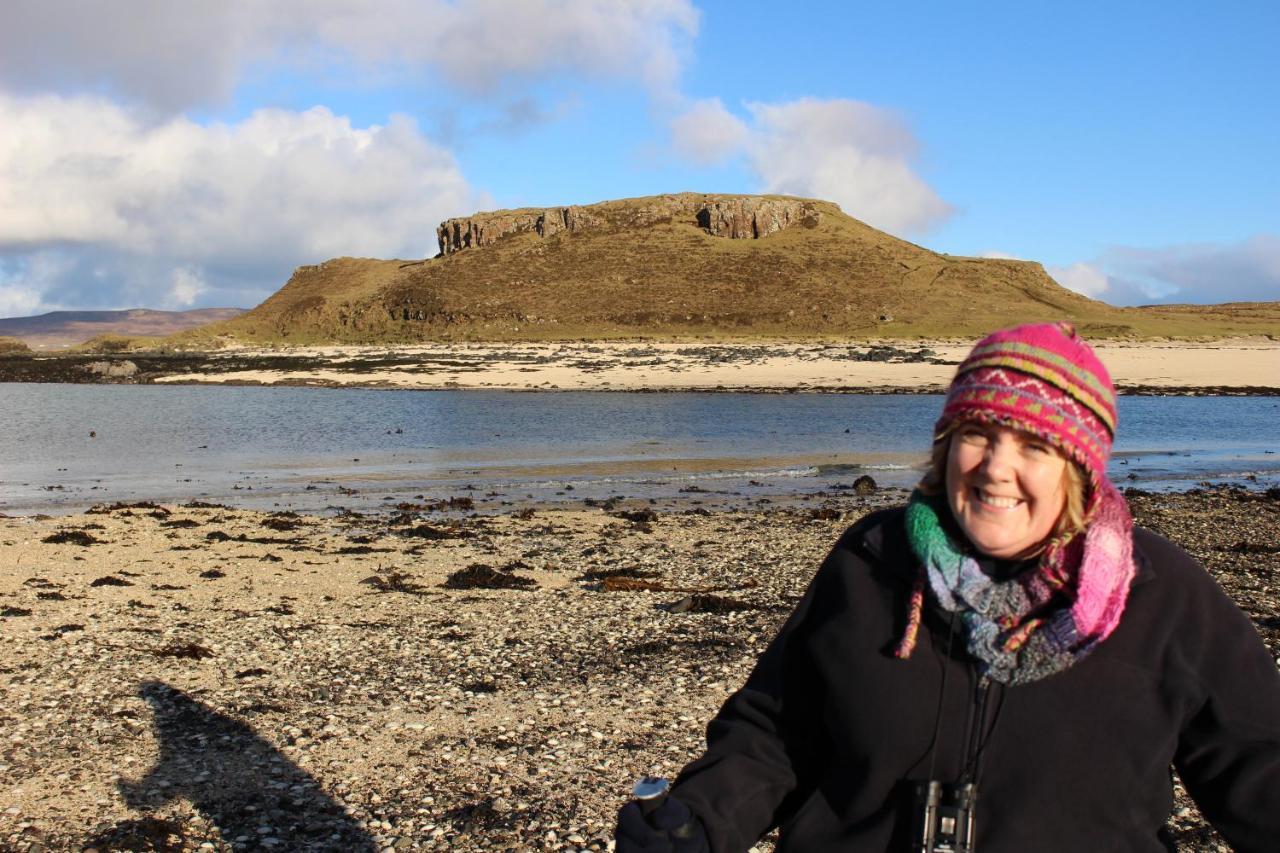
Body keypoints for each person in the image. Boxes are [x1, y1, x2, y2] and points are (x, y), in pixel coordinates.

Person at [615, 322, 1280, 852]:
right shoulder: (871, 560)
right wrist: (698, 820)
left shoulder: (1163, 596)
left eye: (1034, 447)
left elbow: (1257, 764)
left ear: (1081, 469)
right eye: (977, 434)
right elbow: (775, 734)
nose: (995, 468)